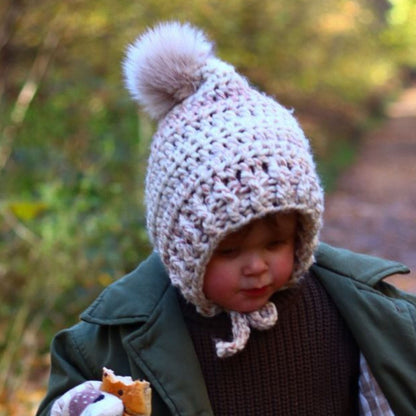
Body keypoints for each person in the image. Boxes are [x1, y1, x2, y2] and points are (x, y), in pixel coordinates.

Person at [37, 21, 416, 416]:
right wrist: (76, 407)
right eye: (230, 250)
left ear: (302, 236)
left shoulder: (361, 316)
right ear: (182, 252)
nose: (256, 266)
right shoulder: (111, 346)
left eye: (276, 243)